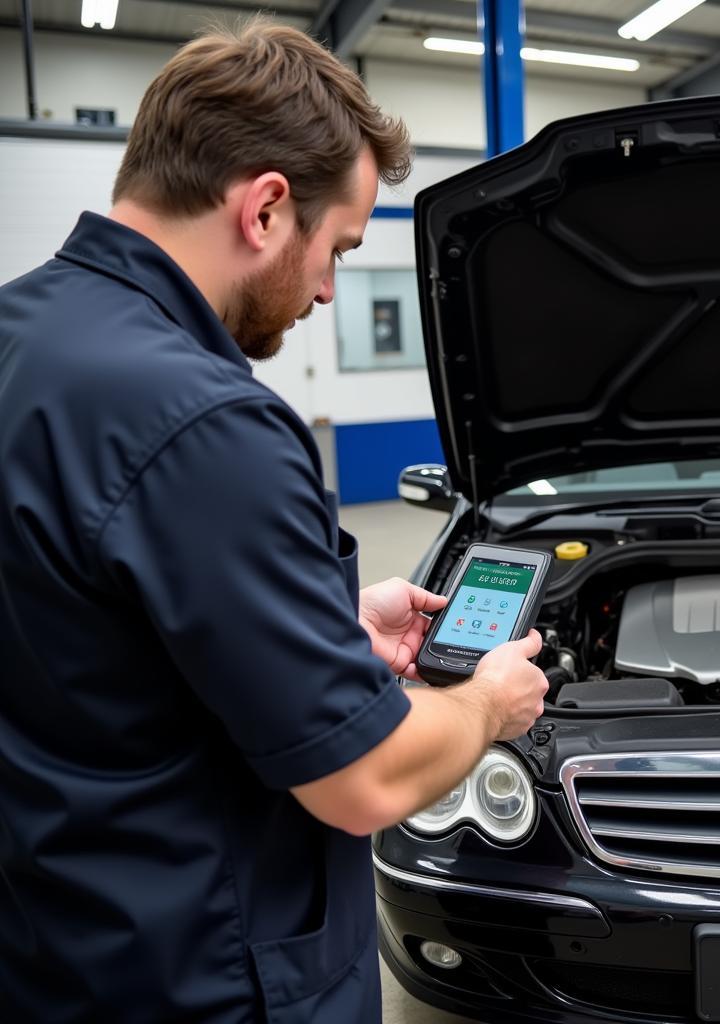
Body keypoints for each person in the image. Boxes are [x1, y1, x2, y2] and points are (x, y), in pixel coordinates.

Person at [0, 18, 548, 1022]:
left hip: (57, 944)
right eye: (335, 247)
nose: (329, 286)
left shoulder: (22, 338)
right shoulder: (208, 423)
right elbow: (368, 777)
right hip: (199, 976)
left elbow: (95, 640)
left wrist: (327, 624)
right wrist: (489, 705)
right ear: (263, 210)